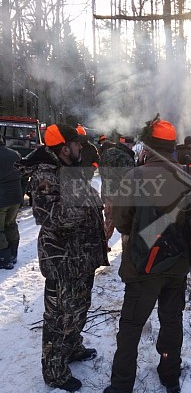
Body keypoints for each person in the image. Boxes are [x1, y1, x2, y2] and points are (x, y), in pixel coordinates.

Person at [104, 119, 191, 393]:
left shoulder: (134, 176)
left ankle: (122, 385)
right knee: (171, 321)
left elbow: (122, 223)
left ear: (148, 145)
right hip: (177, 264)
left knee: (131, 327)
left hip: (142, 266)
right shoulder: (188, 175)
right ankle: (170, 375)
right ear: (172, 146)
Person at [18, 124, 109, 392]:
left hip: (81, 256)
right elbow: (50, 216)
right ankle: (54, 371)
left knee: (79, 307)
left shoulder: (67, 169)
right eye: (77, 143)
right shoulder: (46, 175)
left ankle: (72, 348)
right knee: (59, 317)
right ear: (64, 147)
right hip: (63, 261)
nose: (81, 147)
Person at [98, 135, 136, 249]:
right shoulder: (126, 158)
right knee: (126, 222)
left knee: (109, 221)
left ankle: (101, 245)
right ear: (129, 144)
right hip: (122, 196)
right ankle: (127, 248)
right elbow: (131, 178)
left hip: (108, 192)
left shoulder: (107, 153)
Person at [0, 134, 22, 270]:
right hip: (16, 197)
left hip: (1, 198)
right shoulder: (15, 154)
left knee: (0, 229)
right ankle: (13, 254)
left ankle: (4, 259)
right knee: (11, 224)